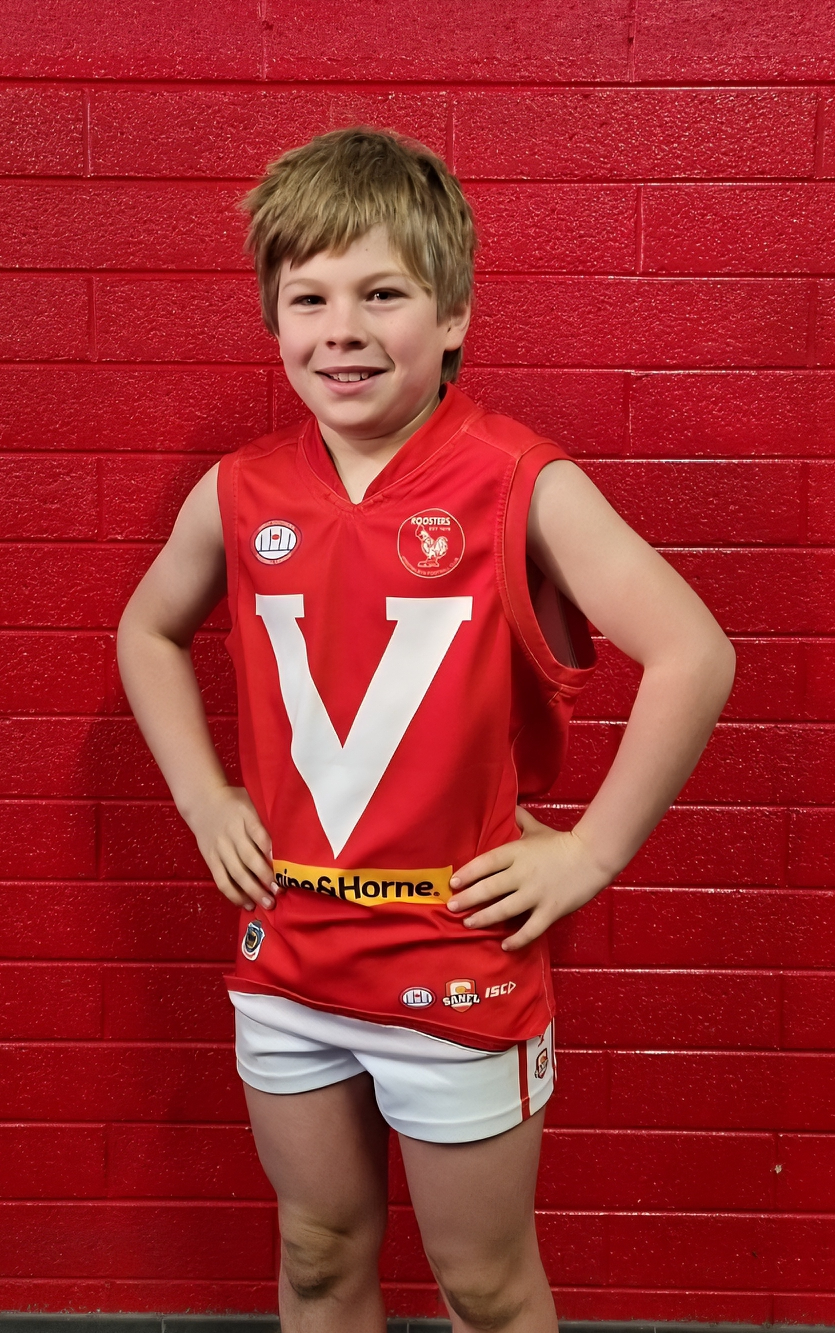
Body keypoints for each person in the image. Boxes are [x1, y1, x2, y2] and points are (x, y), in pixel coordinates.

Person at [117, 126, 736, 1333]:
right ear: (274, 319)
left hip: (452, 954)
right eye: (309, 297)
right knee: (315, 1254)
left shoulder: (518, 480)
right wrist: (203, 795)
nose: (340, 329)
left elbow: (693, 653)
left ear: (452, 316)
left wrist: (591, 851)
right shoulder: (239, 489)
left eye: (382, 294)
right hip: (290, 949)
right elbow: (147, 630)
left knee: (484, 1286)